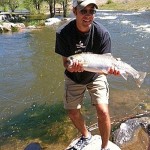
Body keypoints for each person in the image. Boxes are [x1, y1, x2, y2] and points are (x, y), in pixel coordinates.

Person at [55, 0, 119, 149]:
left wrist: (111, 71)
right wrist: (71, 68)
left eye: (92, 11)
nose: (88, 15)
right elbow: (66, 62)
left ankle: (104, 147)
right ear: (74, 11)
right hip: (74, 77)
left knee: (103, 111)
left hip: (95, 75)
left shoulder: (103, 34)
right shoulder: (63, 33)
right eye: (84, 11)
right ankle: (86, 135)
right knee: (72, 112)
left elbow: (106, 64)